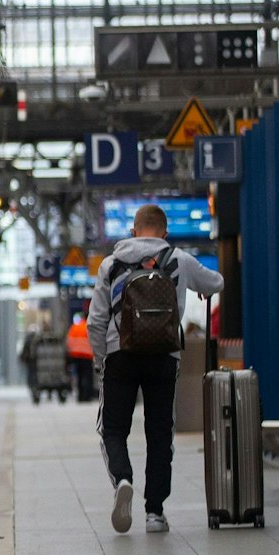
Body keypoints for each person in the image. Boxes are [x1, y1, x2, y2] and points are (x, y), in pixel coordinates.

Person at [88, 204, 224, 534]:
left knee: (113, 429)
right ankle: (155, 513)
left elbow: (96, 321)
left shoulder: (111, 264)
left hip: (120, 355)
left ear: (133, 231)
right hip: (164, 355)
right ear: (164, 233)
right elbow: (216, 283)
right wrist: (200, 288)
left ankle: (122, 478)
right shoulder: (178, 259)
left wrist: (99, 360)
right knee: (160, 433)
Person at [65, 305, 96, 401]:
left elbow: (68, 341)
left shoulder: (75, 327)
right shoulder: (89, 327)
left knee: (78, 376)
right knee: (88, 376)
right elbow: (94, 341)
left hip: (76, 355)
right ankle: (88, 395)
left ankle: (80, 396)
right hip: (87, 356)